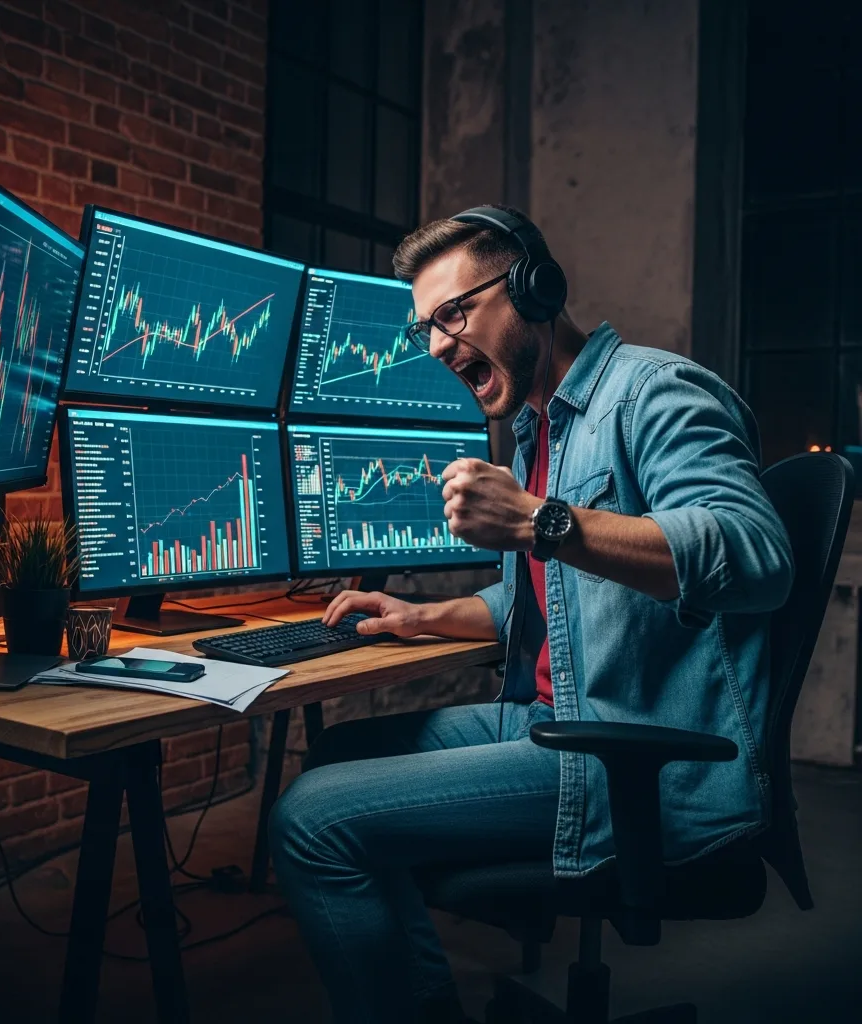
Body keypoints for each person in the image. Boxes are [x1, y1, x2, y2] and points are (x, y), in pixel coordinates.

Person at [268, 206, 794, 1024]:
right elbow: (555, 598)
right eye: (426, 329)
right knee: (336, 753)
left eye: (455, 313)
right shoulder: (541, 427)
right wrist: (419, 616)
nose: (439, 344)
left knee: (312, 822)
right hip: (558, 717)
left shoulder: (654, 394)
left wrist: (540, 521)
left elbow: (755, 557)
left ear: (534, 290)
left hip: (636, 756)